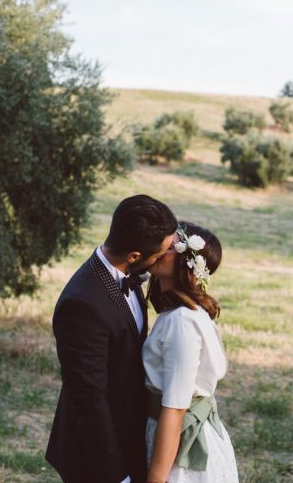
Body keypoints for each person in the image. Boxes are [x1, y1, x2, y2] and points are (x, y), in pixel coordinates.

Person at [46, 194, 178, 483]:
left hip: (129, 435)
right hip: (97, 454)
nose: (162, 260)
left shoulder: (126, 272)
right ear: (133, 256)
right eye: (159, 255)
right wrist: (116, 476)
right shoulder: (81, 305)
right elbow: (89, 400)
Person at [143, 221, 239, 483]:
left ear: (188, 262)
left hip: (181, 447)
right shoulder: (177, 313)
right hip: (172, 435)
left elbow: (175, 408)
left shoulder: (182, 322)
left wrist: (155, 478)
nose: (160, 247)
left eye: (172, 245)